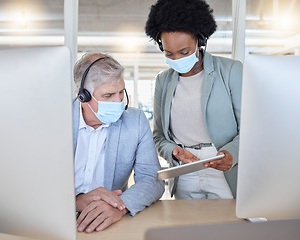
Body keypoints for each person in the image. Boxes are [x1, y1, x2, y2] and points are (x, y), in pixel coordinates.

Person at [145, 0, 242, 199]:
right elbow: (159, 136)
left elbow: (252, 127)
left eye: (185, 52)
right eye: (169, 54)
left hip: (223, 165)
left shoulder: (231, 71)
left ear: (200, 41)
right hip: (184, 170)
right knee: (185, 227)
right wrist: (174, 152)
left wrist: (233, 153)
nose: (178, 59)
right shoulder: (163, 81)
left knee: (227, 227)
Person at [72, 52, 164, 233]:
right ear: (83, 95)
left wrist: (120, 205)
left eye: (121, 92)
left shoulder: (135, 121)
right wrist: (75, 201)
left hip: (109, 224)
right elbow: (33, 180)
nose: (118, 101)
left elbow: (152, 179)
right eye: (108, 95)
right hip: (58, 220)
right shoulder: (54, 118)